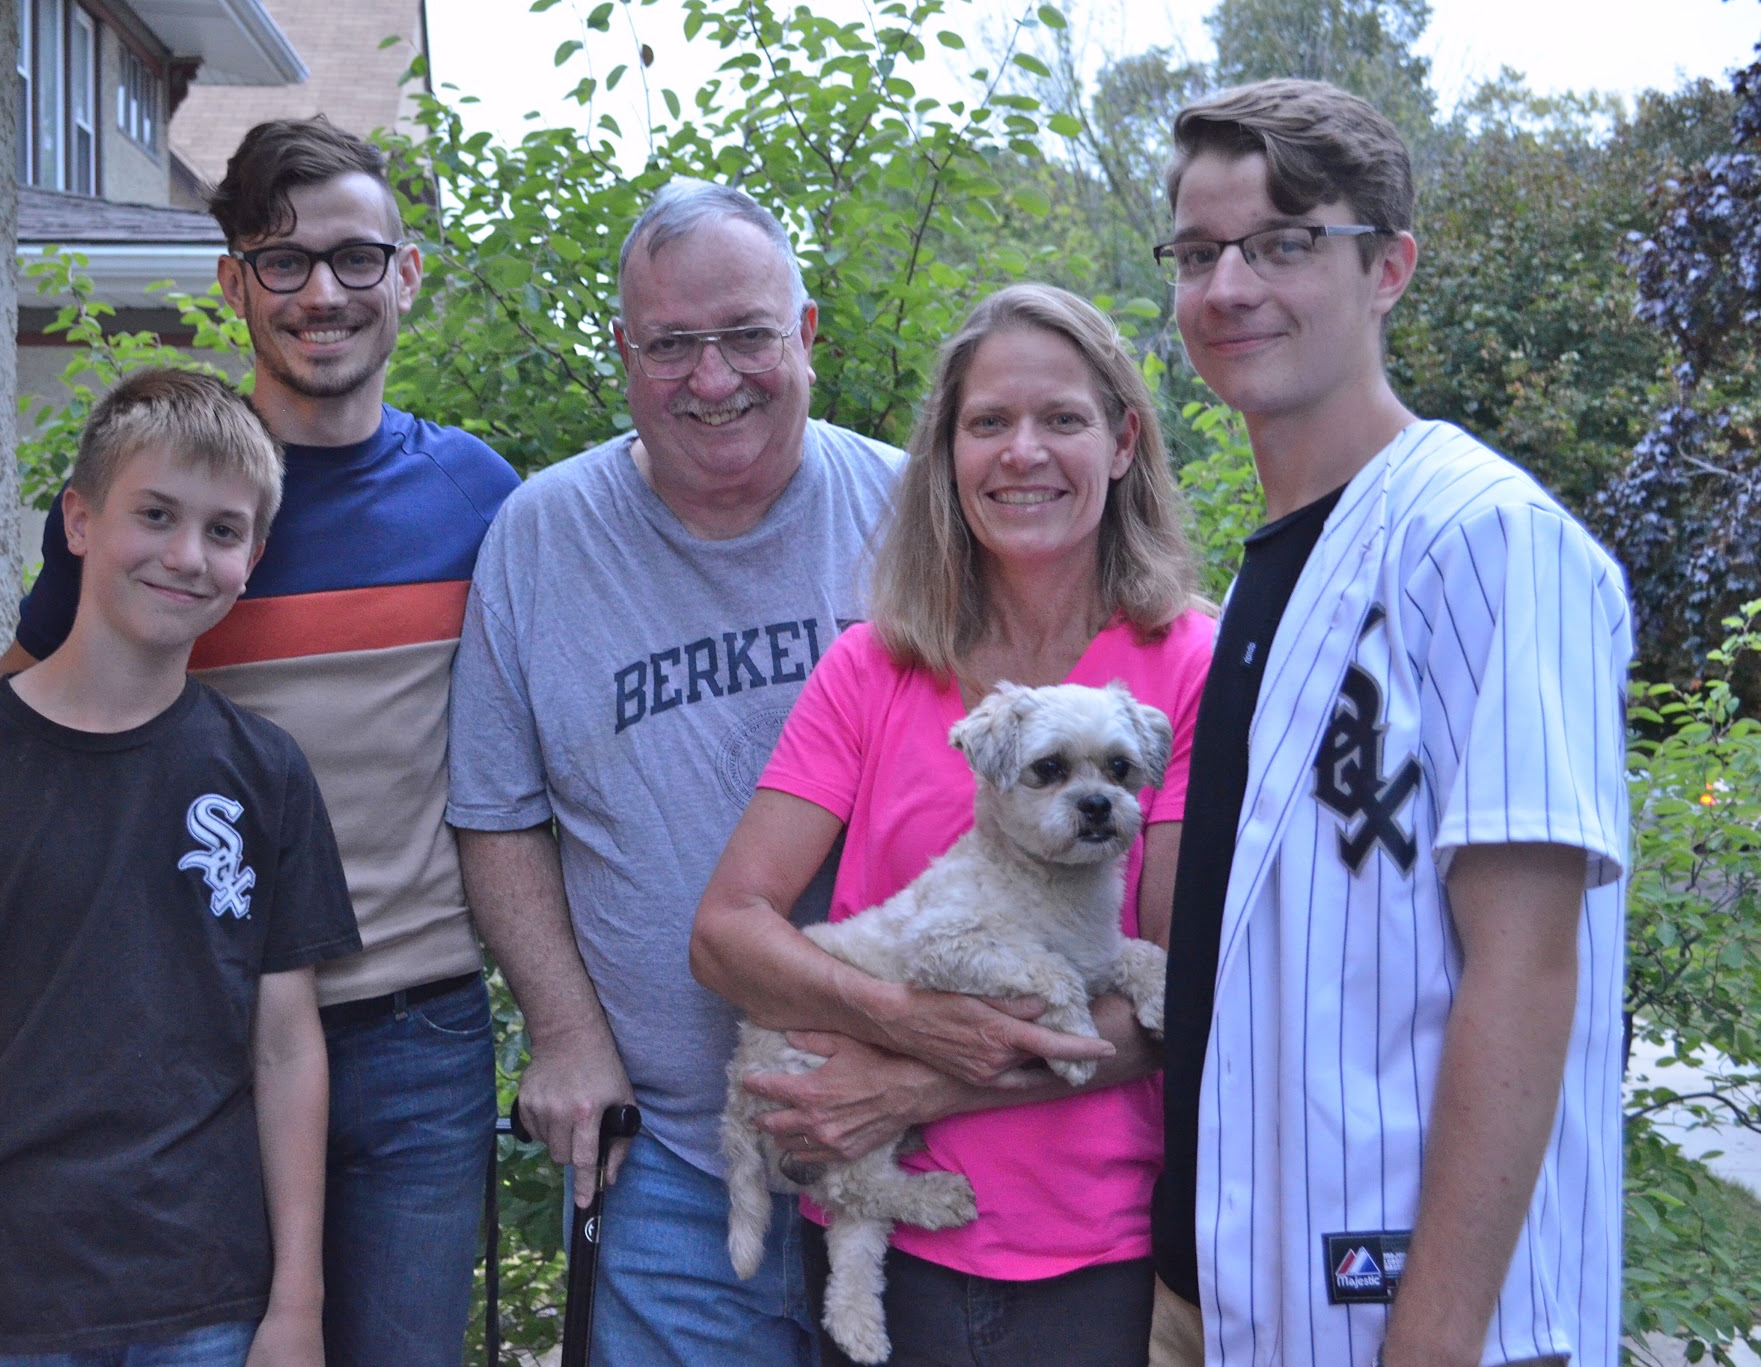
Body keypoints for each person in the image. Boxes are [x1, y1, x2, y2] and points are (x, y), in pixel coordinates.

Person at [0, 118, 520, 1367]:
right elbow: (34, 685)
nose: (323, 293)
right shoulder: (179, 500)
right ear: (232, 282)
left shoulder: (483, 500)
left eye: (358, 259)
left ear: (407, 275)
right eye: (283, 261)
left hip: (414, 1037)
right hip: (200, 1042)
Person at [1145, 79, 1632, 1367]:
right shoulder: (1269, 568)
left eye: (1285, 241)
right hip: (1238, 1293)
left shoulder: (1484, 537)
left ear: (1390, 267)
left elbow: (1527, 969)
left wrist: (1434, 1341)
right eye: (1199, 253)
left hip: (1419, 1322)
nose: (1230, 285)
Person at [446, 178, 928, 1365]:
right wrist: (563, 1035)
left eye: (747, 334)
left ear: (806, 333)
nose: (712, 379)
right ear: (622, 353)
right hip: (668, 1155)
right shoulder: (543, 537)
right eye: (670, 344)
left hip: (916, 1124)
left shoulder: (917, 515)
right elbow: (498, 816)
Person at [690, 283, 1215, 1365]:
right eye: (988, 422)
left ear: (1122, 441)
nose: (1022, 451)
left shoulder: (1185, 665)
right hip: (895, 1252)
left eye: (1060, 418)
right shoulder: (874, 664)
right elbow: (727, 930)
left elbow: (1174, 989)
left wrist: (918, 1076)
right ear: (946, 455)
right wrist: (896, 1011)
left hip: (1103, 1257)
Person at [0, 369, 361, 1367]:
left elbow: (286, 1045)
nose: (185, 555)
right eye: (156, 514)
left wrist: (295, 1304)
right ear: (79, 521)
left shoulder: (264, 772)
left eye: (222, 531)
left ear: (252, 559)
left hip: (205, 1298)